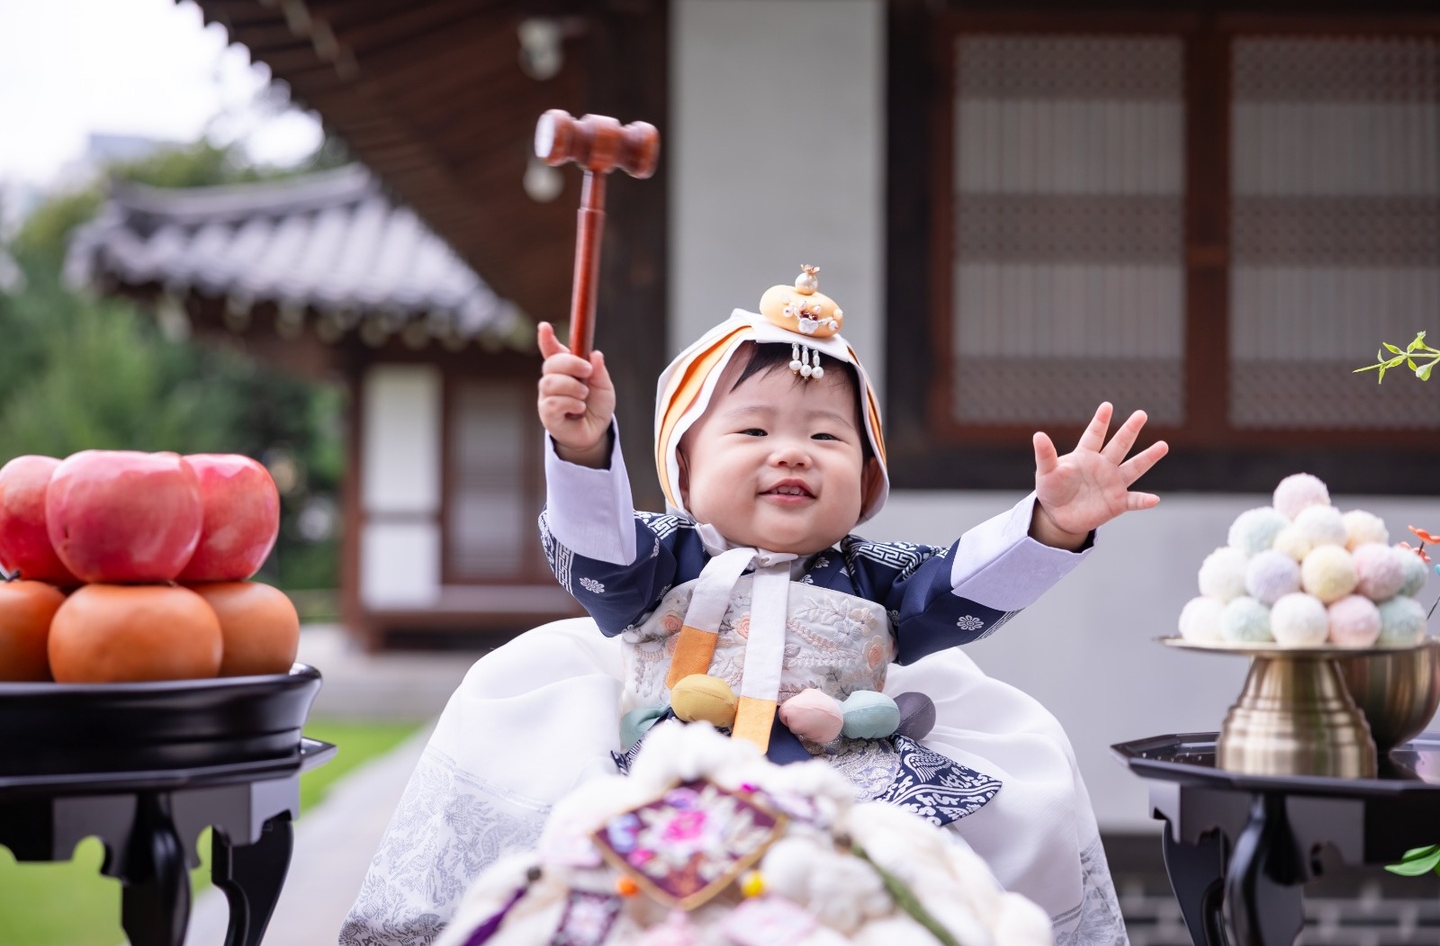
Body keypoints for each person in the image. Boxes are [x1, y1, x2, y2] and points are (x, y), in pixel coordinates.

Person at [340, 267, 1166, 946]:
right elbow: (597, 556)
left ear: (868, 482)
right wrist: (586, 449)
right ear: (684, 470)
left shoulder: (872, 576)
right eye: (752, 431)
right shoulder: (663, 560)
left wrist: (1049, 525)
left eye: (828, 437)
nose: (791, 451)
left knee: (905, 892)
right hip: (668, 774)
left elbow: (955, 589)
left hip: (847, 786)